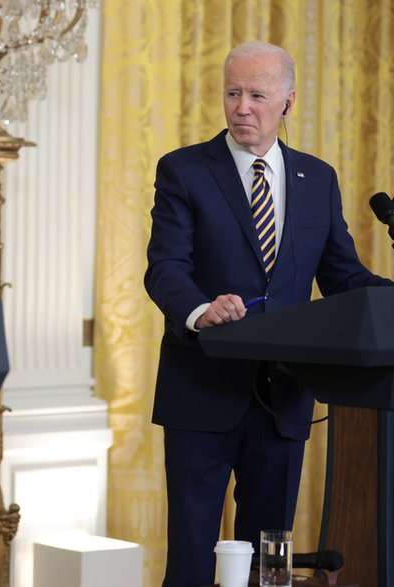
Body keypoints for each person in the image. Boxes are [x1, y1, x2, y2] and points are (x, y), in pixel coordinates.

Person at [144, 41, 393, 587]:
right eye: (233, 93)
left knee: (267, 563)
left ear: (288, 101)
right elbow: (164, 267)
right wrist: (201, 309)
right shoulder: (184, 171)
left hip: (283, 398)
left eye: (257, 94)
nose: (242, 107)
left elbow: (345, 277)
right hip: (201, 392)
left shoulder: (318, 179)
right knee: (191, 558)